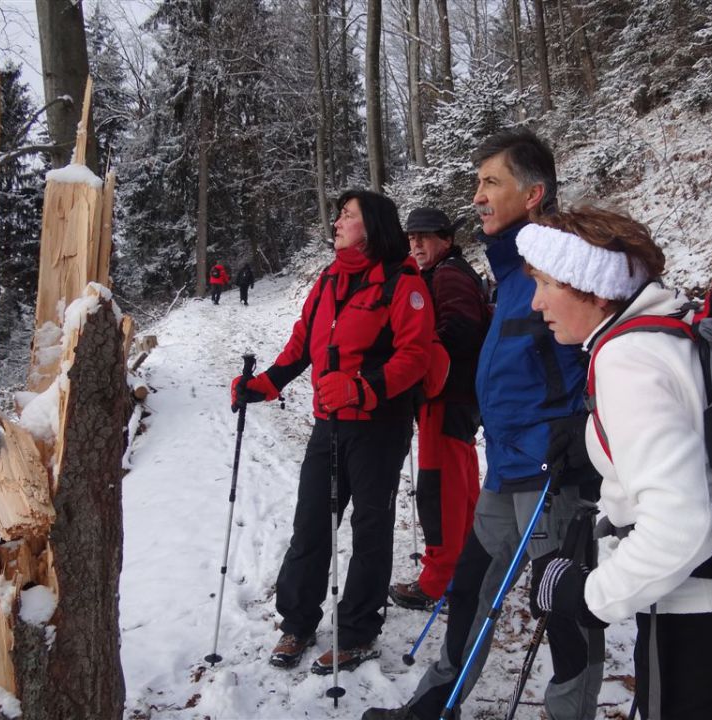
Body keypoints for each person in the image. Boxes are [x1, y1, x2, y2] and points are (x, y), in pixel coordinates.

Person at [523, 206, 712, 720]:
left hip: (702, 611)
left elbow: (682, 528)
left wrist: (587, 595)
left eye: (545, 283)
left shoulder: (626, 360)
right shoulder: (675, 326)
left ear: (592, 285)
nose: (536, 301)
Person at [364, 129, 602, 720]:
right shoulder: (513, 271)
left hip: (555, 474)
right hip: (507, 468)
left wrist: (584, 427)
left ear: (534, 193)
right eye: (477, 183)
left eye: (491, 182)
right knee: (468, 588)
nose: (477, 196)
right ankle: (432, 708)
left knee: (566, 611)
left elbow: (607, 352)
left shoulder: (568, 269)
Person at [231, 190, 437, 675]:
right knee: (311, 525)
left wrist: (363, 389)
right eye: (340, 214)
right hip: (329, 427)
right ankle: (298, 622)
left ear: (374, 227)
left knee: (370, 532)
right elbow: (303, 342)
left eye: (349, 215)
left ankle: (359, 633)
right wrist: (264, 385)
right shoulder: (328, 280)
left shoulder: (403, 284)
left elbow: (415, 356)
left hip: (379, 430)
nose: (338, 221)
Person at [388, 207, 490, 610]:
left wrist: (422, 361)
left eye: (425, 237)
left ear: (446, 239)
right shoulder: (455, 271)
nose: (417, 244)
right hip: (461, 398)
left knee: (439, 490)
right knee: (461, 486)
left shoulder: (447, 275)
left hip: (447, 396)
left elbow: (462, 329)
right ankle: (466, 568)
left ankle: (438, 583)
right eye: (412, 238)